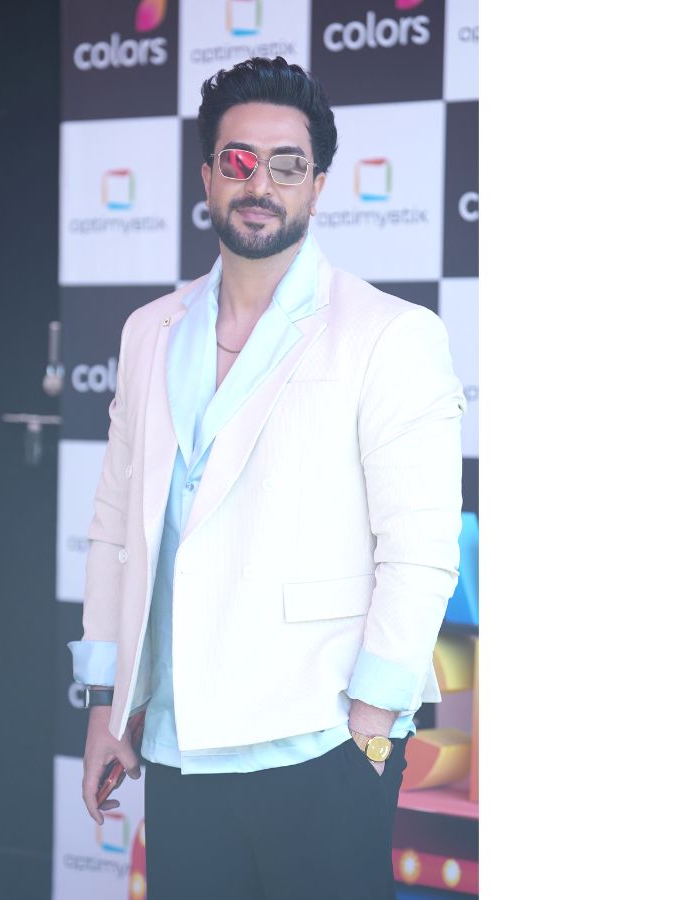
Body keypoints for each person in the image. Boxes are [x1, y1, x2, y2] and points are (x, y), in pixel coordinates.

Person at [68, 56, 465, 900]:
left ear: (317, 186)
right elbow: (112, 528)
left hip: (318, 741)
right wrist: (106, 701)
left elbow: (421, 547)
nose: (260, 184)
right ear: (208, 174)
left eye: (287, 165)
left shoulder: (389, 333)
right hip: (178, 742)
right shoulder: (149, 331)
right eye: (239, 160)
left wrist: (371, 726)